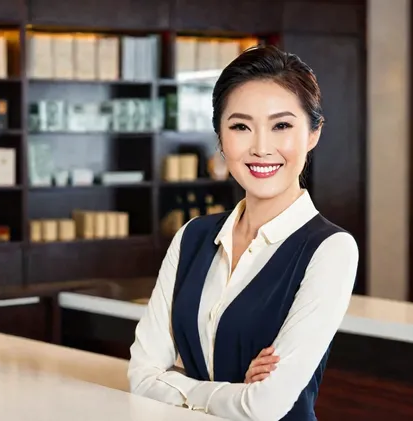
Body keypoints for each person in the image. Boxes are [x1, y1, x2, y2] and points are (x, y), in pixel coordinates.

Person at [128, 45, 359, 421]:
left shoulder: (330, 249)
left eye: (281, 126)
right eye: (240, 126)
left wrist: (179, 382)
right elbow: (140, 377)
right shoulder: (192, 237)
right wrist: (235, 391)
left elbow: (265, 406)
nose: (261, 148)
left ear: (313, 133)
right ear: (221, 136)